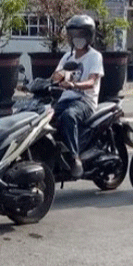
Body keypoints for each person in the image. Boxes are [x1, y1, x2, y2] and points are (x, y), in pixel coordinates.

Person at [51, 15, 105, 178]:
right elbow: (55, 76)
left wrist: (74, 84)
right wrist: (58, 78)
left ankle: (75, 158)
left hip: (85, 101)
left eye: (80, 34)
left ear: (89, 36)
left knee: (69, 117)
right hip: (65, 99)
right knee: (45, 117)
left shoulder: (95, 56)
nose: (77, 38)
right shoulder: (68, 57)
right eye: (74, 34)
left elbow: (91, 82)